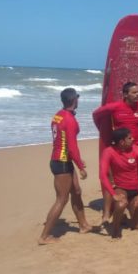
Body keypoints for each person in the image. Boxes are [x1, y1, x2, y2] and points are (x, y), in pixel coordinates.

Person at [92, 81, 138, 223]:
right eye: (134, 92)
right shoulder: (115, 107)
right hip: (118, 149)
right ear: (125, 94)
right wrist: (103, 133)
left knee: (136, 177)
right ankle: (106, 212)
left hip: (136, 148)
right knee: (113, 180)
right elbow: (96, 114)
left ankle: (134, 202)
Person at [39, 88, 91, 244]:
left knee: (76, 191)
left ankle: (83, 225)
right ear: (75, 100)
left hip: (61, 159)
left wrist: (76, 161)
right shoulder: (69, 119)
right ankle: (44, 236)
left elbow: (63, 142)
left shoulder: (58, 115)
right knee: (62, 199)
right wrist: (81, 166)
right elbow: (71, 146)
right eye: (78, 98)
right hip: (61, 162)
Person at [99, 128, 138, 238]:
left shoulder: (137, 150)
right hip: (121, 188)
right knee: (121, 204)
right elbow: (102, 175)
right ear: (121, 142)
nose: (133, 139)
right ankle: (115, 230)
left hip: (135, 190)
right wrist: (113, 194)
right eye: (129, 138)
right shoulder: (109, 152)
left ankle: (123, 218)